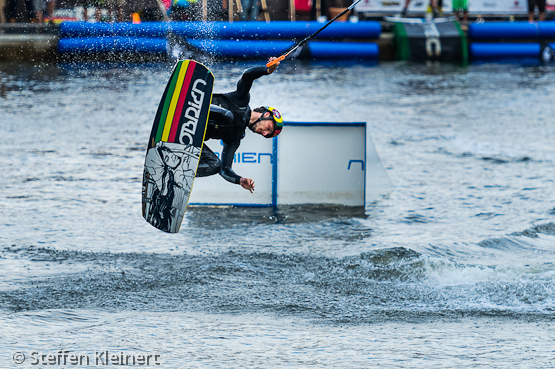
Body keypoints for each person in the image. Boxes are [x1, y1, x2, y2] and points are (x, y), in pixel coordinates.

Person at [197, 57, 282, 193]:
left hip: (189, 136)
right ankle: (192, 108)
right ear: (266, 115)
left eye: (267, 135)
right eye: (268, 128)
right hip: (192, 107)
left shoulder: (235, 138)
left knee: (215, 166)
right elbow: (247, 76)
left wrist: (239, 180)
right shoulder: (241, 100)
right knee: (228, 116)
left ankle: (175, 173)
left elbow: (225, 169)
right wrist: (267, 70)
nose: (265, 133)